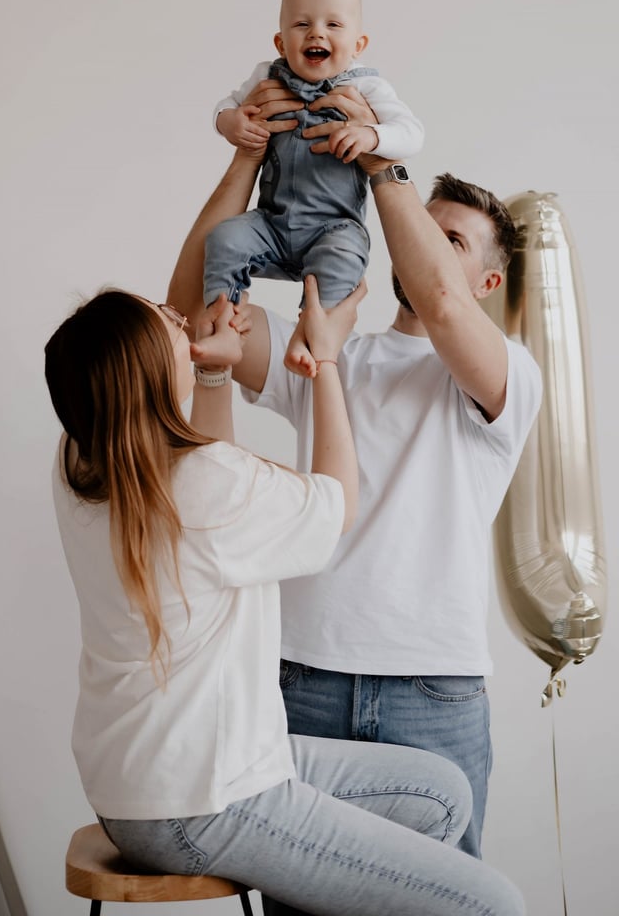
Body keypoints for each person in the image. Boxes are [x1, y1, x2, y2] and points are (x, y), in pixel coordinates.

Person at [44, 281, 526, 916]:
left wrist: (211, 374)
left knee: (442, 794)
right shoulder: (204, 484)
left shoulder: (81, 460)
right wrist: (326, 360)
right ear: (149, 374)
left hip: (144, 785)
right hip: (206, 801)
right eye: (166, 322)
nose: (178, 318)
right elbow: (338, 504)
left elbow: (207, 480)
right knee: (496, 904)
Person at [168, 85, 543, 878]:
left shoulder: (509, 374)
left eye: (450, 241)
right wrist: (247, 154)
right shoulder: (327, 352)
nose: (424, 249)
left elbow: (442, 306)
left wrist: (382, 160)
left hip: (434, 692)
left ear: (487, 284)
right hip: (302, 678)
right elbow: (191, 316)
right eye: (420, 231)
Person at [206, 0, 424, 375]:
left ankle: (310, 335)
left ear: (358, 45)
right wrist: (231, 122)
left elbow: (412, 134)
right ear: (280, 42)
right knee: (225, 238)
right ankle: (223, 324)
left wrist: (371, 135)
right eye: (302, 24)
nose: (316, 33)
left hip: (332, 227)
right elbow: (225, 106)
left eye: (333, 25)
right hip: (270, 224)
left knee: (345, 255)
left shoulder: (366, 88)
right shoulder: (267, 76)